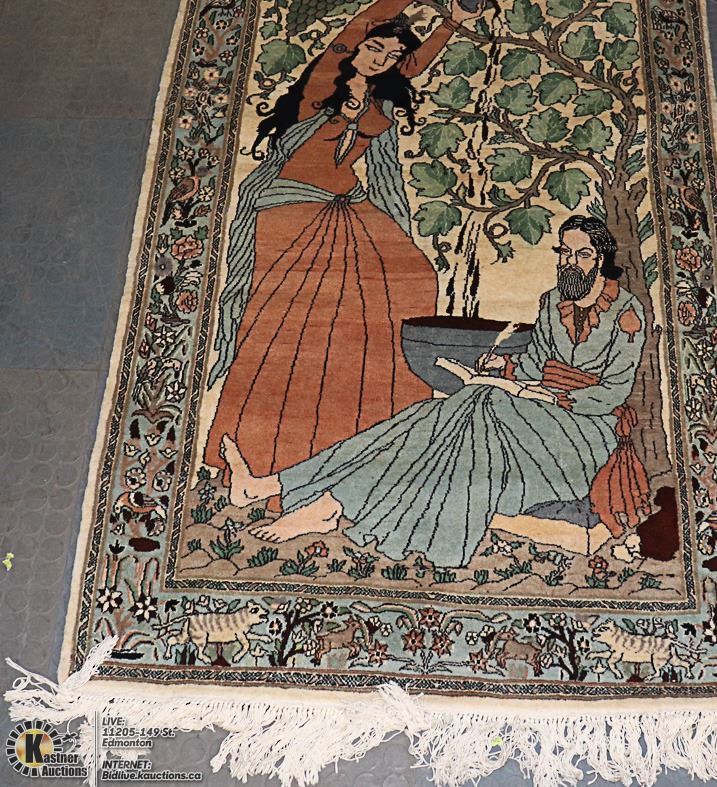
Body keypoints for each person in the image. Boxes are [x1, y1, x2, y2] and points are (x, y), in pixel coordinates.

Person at [218, 215, 652, 567]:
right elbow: (535, 363)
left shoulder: (626, 312)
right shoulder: (551, 302)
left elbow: (615, 391)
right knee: (428, 416)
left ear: (601, 259)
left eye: (582, 254)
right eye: (565, 253)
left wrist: (550, 397)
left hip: (587, 432)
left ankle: (317, 502)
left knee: (479, 402)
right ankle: (279, 489)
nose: (571, 263)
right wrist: (503, 368)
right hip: (533, 415)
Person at [203, 0, 487, 495]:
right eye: (374, 48)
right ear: (356, 47)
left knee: (413, 277)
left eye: (391, 55)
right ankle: (260, 453)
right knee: (290, 324)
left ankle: (374, 436)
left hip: (346, 206)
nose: (381, 59)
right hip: (292, 208)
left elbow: (416, 64)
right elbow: (363, 22)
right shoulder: (324, 82)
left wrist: (452, 22)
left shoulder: (379, 97)